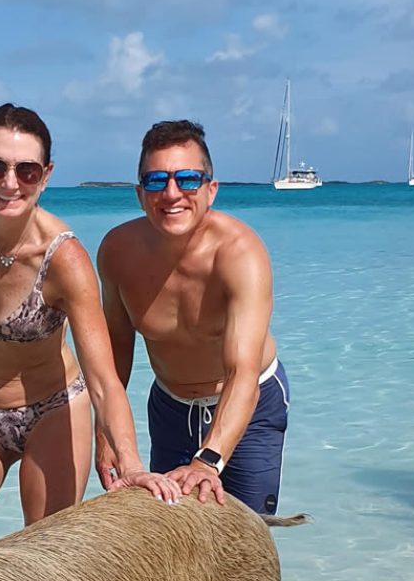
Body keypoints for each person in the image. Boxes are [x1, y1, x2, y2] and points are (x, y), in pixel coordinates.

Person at [0, 103, 178, 570]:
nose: (10, 183)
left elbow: (104, 380)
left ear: (45, 176)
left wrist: (131, 466)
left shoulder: (65, 261)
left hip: (54, 414)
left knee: (46, 578)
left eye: (26, 170)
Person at [95, 119, 289, 515]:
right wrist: (107, 436)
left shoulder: (239, 254)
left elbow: (243, 373)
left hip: (250, 404)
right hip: (171, 408)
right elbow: (115, 358)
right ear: (139, 193)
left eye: (187, 179)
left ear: (210, 190)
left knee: (247, 535)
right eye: (155, 181)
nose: (171, 193)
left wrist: (208, 461)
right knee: (170, 542)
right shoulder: (118, 251)